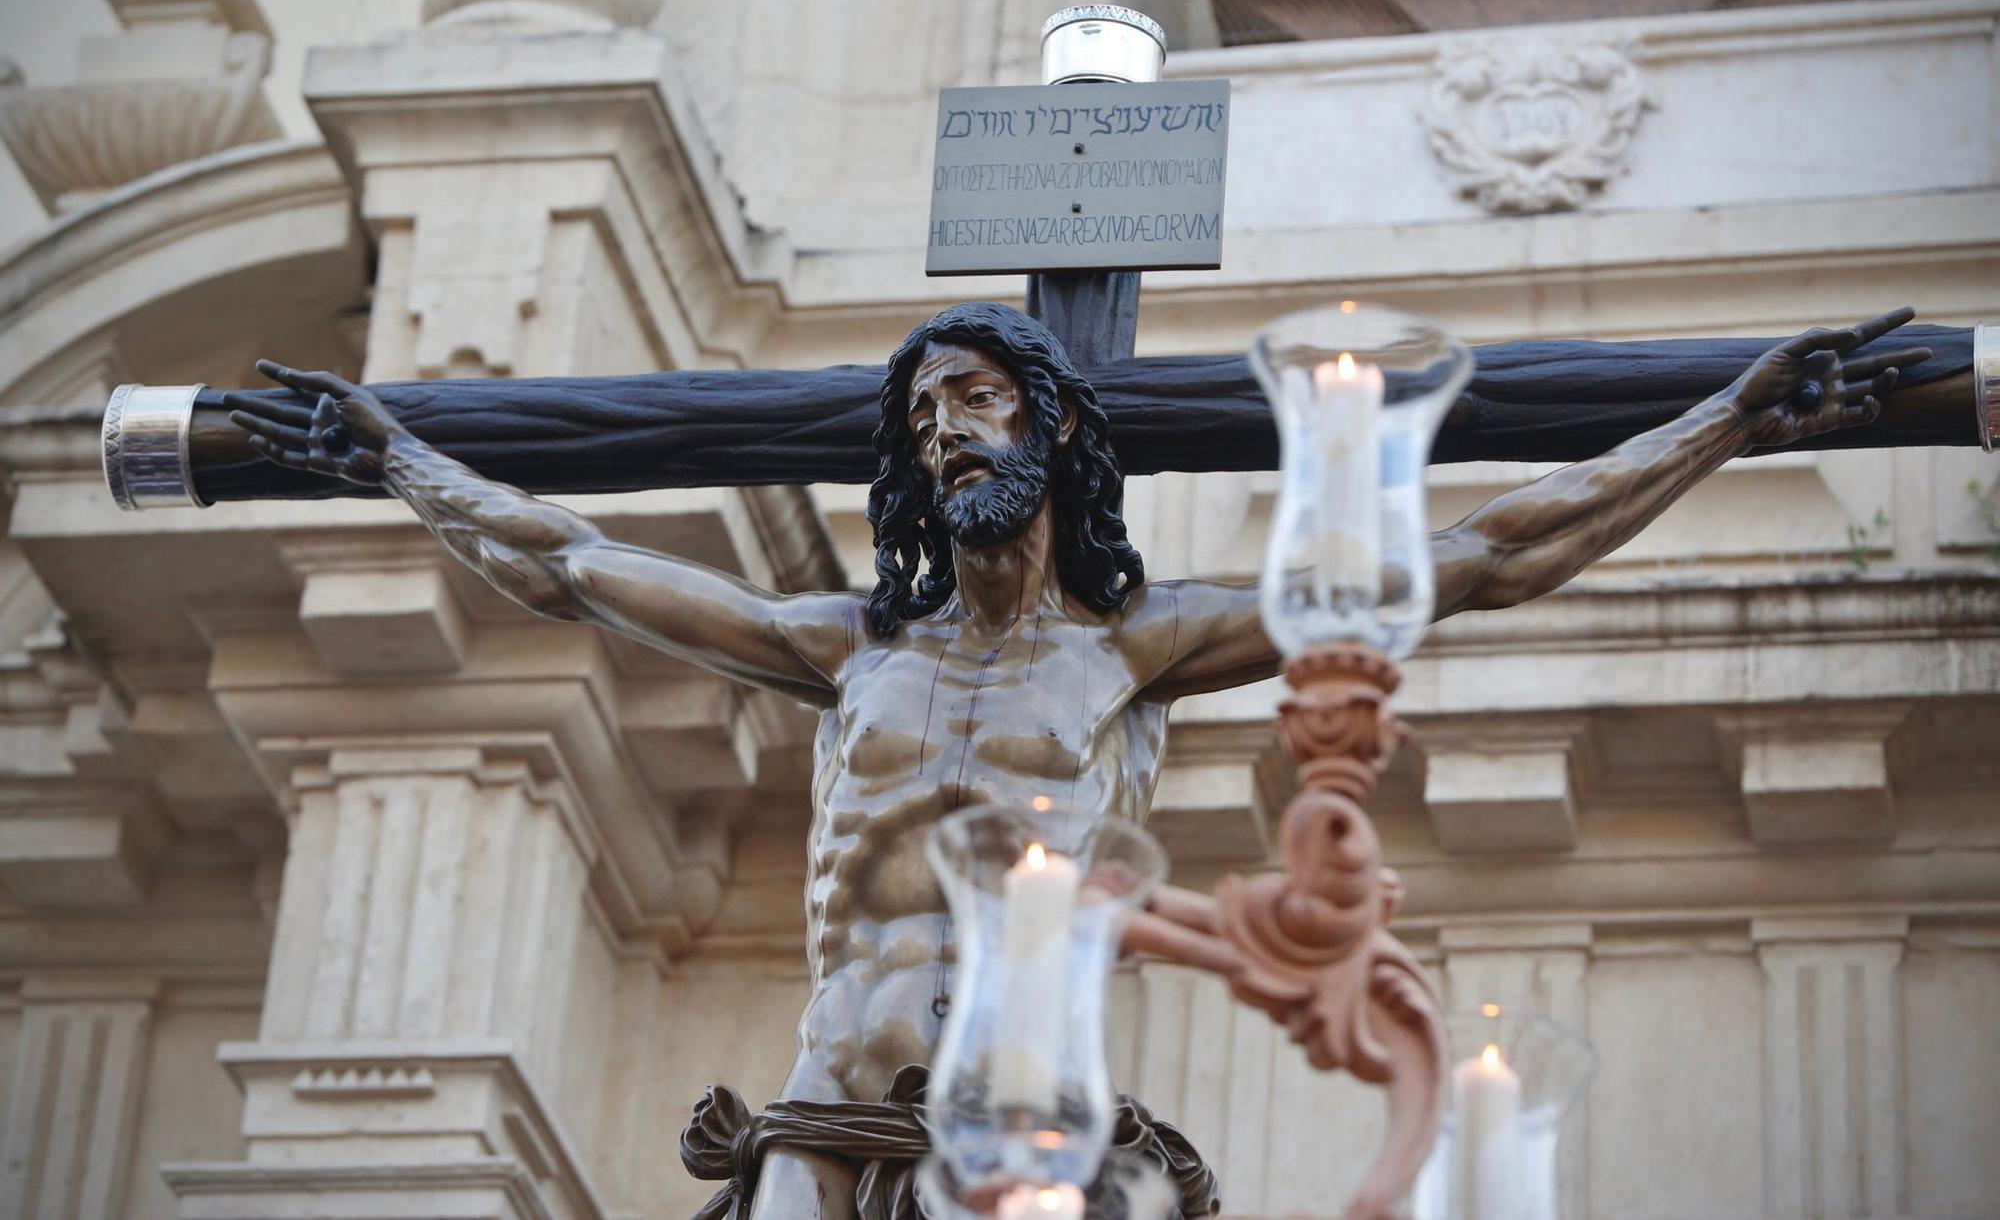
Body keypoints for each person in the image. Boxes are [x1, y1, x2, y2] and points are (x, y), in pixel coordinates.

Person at [226, 299, 1924, 1217]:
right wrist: (397, 462)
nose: (942, 426)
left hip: (1022, 1136)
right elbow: (570, 561)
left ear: (1046, 426)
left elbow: (1471, 556)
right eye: (921, 417)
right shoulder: (850, 647)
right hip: (825, 1113)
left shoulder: (1137, 647)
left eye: (969, 396)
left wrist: (1724, 423)